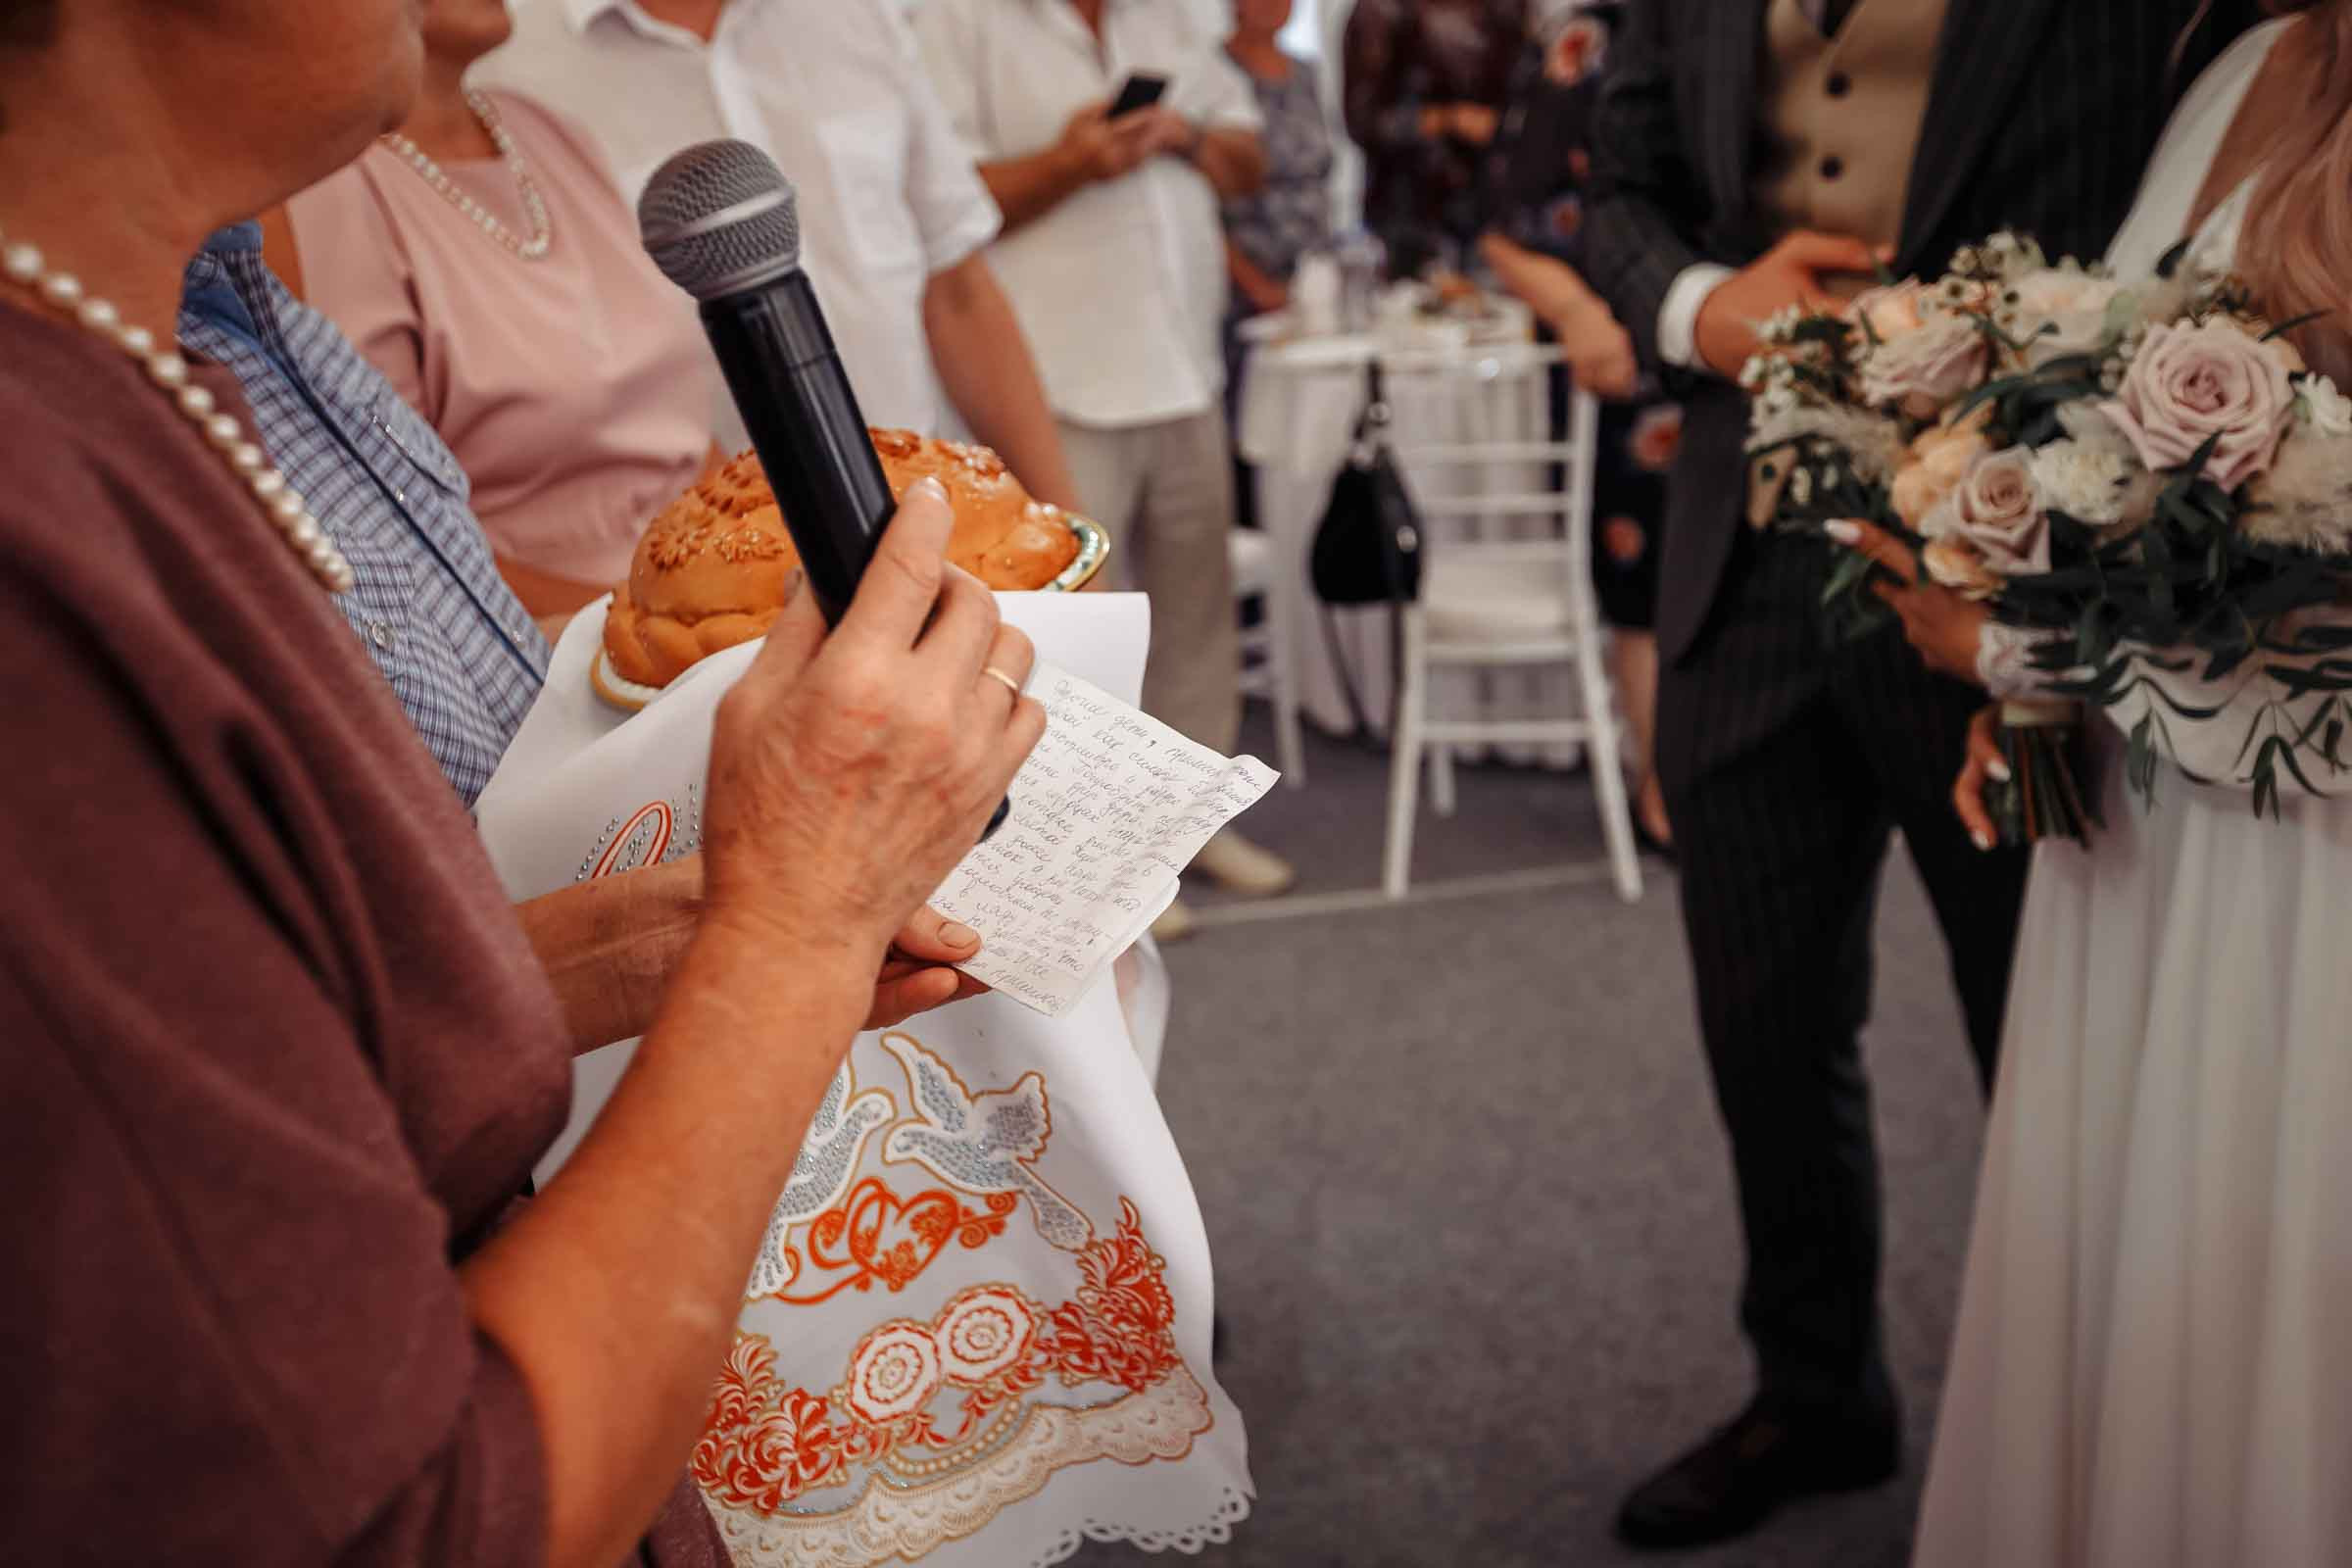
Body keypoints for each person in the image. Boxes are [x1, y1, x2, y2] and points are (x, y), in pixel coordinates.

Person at [0, 5, 1043, 1564]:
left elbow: (236, 1048)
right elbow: (414, 1519)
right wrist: (791, 929)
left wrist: (615, 952)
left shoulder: (154, 335)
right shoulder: (36, 547)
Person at [1576, 0, 2259, 1547]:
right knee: (1765, 1026)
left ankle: (2090, 1447)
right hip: (1738, 573)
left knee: (2048, 1028)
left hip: (2009, 568)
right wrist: (1699, 309)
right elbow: (1613, 193)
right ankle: (1817, 1398)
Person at [1825, 9, 2352, 1561]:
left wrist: (2023, 658)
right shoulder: (2249, 64)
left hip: (2304, 873)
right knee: (2149, 1276)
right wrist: (2047, 637)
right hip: (2156, 826)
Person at [913, 0, 1298, 924]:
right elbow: (938, 212)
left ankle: (1195, 828)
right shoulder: (957, 22)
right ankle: (1105, 858)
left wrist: (1183, 135)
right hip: (1056, 382)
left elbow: (1251, 162)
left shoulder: (1173, 16)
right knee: (1075, 643)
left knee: (1194, 621)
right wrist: (1069, 164)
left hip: (1184, 368)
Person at [478, 0, 1084, 516]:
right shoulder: (508, 62)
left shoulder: (855, 13)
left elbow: (958, 291)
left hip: (935, 510)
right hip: (715, 575)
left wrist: (1065, 529)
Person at [275, 0, 722, 624]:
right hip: (549, 652)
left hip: (706, 608)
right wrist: (651, 628)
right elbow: (396, 536)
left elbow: (679, 427)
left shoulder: (554, 136)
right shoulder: (321, 188)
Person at [1478, 0, 1677, 856]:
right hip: (1631, 357)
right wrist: (1578, 314)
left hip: (1758, 343)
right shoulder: (1590, 37)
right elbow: (1500, 226)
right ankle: (1662, 788)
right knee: (1650, 591)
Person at [1341, 0, 1529, 275]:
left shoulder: (1503, 11)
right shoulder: (1380, 10)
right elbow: (1363, 123)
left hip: (1494, 212)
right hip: (1408, 217)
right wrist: (1449, 119)